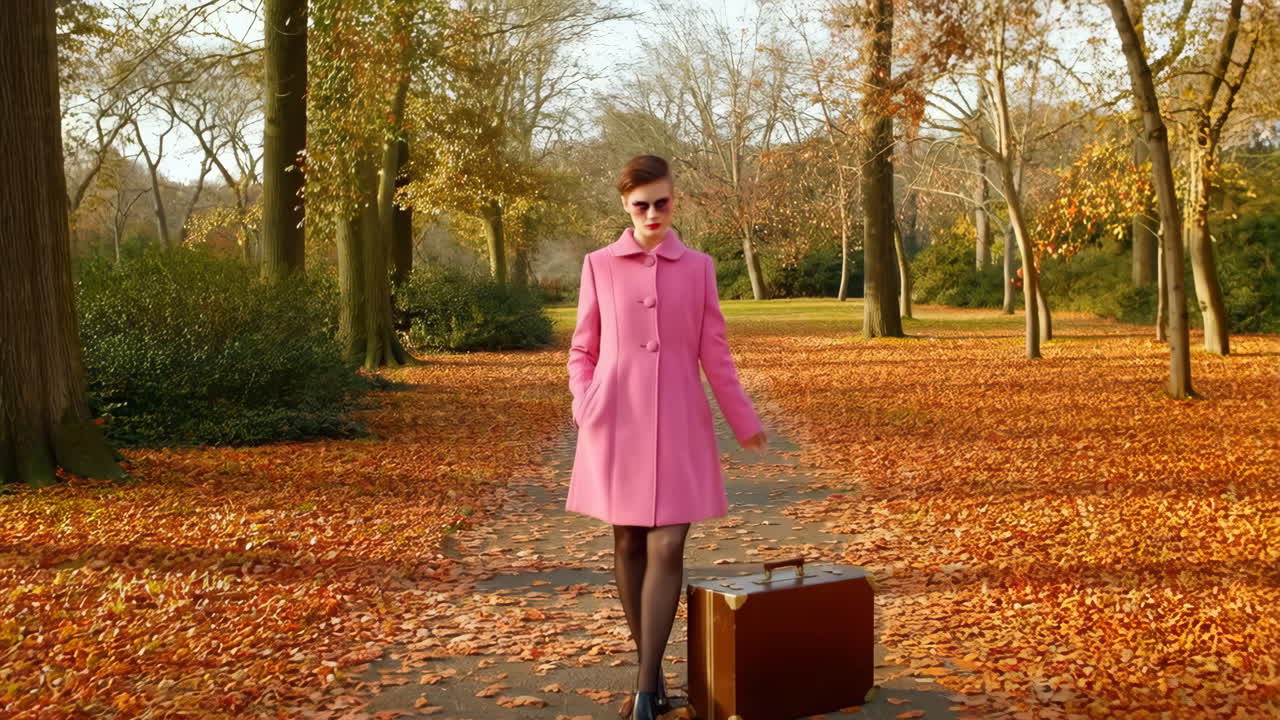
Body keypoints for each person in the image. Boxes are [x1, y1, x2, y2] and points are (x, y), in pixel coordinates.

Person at [565, 155, 768, 720]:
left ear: (675, 200)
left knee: (669, 543)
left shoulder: (699, 267)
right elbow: (583, 349)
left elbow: (716, 353)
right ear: (624, 206)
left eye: (662, 202)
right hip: (615, 422)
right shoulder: (599, 265)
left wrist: (744, 420)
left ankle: (643, 691)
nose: (653, 213)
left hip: (679, 422)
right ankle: (649, 681)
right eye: (641, 205)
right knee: (628, 543)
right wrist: (587, 402)